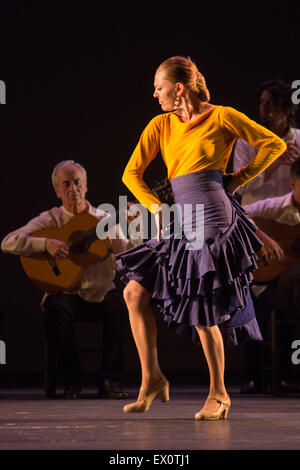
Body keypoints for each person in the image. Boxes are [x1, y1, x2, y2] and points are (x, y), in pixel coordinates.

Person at [115, 56, 287, 420]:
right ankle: (152, 380)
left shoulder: (222, 116)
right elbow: (131, 174)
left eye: (159, 87)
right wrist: (157, 209)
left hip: (213, 217)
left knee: (203, 308)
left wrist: (238, 179)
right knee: (133, 291)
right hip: (181, 218)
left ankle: (219, 394)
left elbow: (273, 144)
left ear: (179, 89)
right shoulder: (161, 124)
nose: (154, 93)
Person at [1, 160, 132, 399]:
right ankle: (71, 383)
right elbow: (8, 242)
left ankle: (110, 382)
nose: (73, 188)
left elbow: (125, 254)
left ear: (86, 186)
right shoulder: (50, 220)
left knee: (121, 307)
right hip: (67, 294)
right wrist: (45, 244)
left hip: (101, 292)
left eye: (77, 182)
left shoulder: (104, 218)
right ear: (57, 190)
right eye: (66, 184)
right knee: (55, 308)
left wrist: (124, 229)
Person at [242, 157, 300, 392]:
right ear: (293, 185)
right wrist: (263, 241)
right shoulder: (273, 208)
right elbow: (239, 217)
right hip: (270, 285)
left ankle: (290, 372)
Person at [233, 79, 300, 205]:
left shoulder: (299, 138)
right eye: (262, 102)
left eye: (271, 103)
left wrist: (297, 166)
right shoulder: (246, 141)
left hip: (291, 219)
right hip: (256, 219)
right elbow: (240, 187)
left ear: (286, 107)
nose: (264, 108)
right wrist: (274, 163)